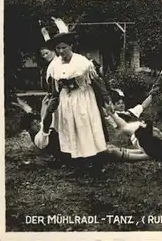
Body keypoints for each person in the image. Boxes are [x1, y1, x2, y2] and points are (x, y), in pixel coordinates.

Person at [42, 17, 114, 173]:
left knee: (85, 128)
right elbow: (55, 88)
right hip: (65, 100)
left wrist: (107, 99)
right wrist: (52, 106)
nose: (61, 51)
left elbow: (97, 82)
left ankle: (95, 163)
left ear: (71, 46)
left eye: (64, 48)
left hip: (82, 98)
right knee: (70, 129)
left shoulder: (82, 62)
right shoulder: (55, 65)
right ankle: (76, 163)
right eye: (58, 48)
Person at [14, 97, 149, 165]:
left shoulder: (39, 129)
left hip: (74, 148)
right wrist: (47, 107)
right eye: (33, 124)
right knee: (110, 151)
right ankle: (146, 156)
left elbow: (33, 113)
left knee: (109, 147)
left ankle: (145, 151)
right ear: (29, 129)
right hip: (69, 157)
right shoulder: (39, 138)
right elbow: (45, 120)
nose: (37, 123)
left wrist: (21, 103)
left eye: (36, 121)